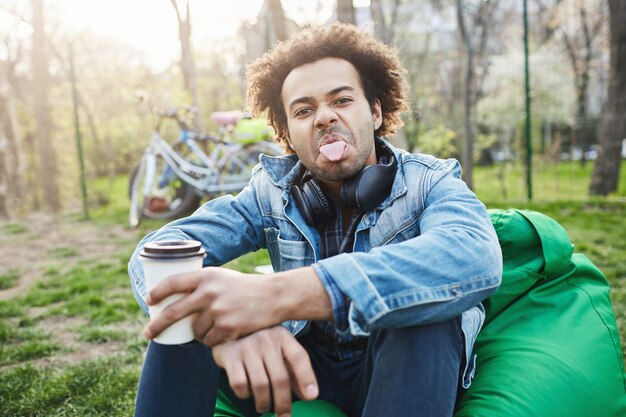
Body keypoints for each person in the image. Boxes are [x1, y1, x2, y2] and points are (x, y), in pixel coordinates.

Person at [128, 23, 502, 417]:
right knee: (183, 318)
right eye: (304, 110)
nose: (324, 117)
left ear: (375, 112)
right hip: (296, 370)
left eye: (341, 100)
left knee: (422, 313)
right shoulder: (268, 193)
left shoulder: (431, 181)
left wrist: (276, 296)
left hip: (394, 368)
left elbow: (473, 254)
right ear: (288, 133)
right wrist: (226, 329)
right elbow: (155, 255)